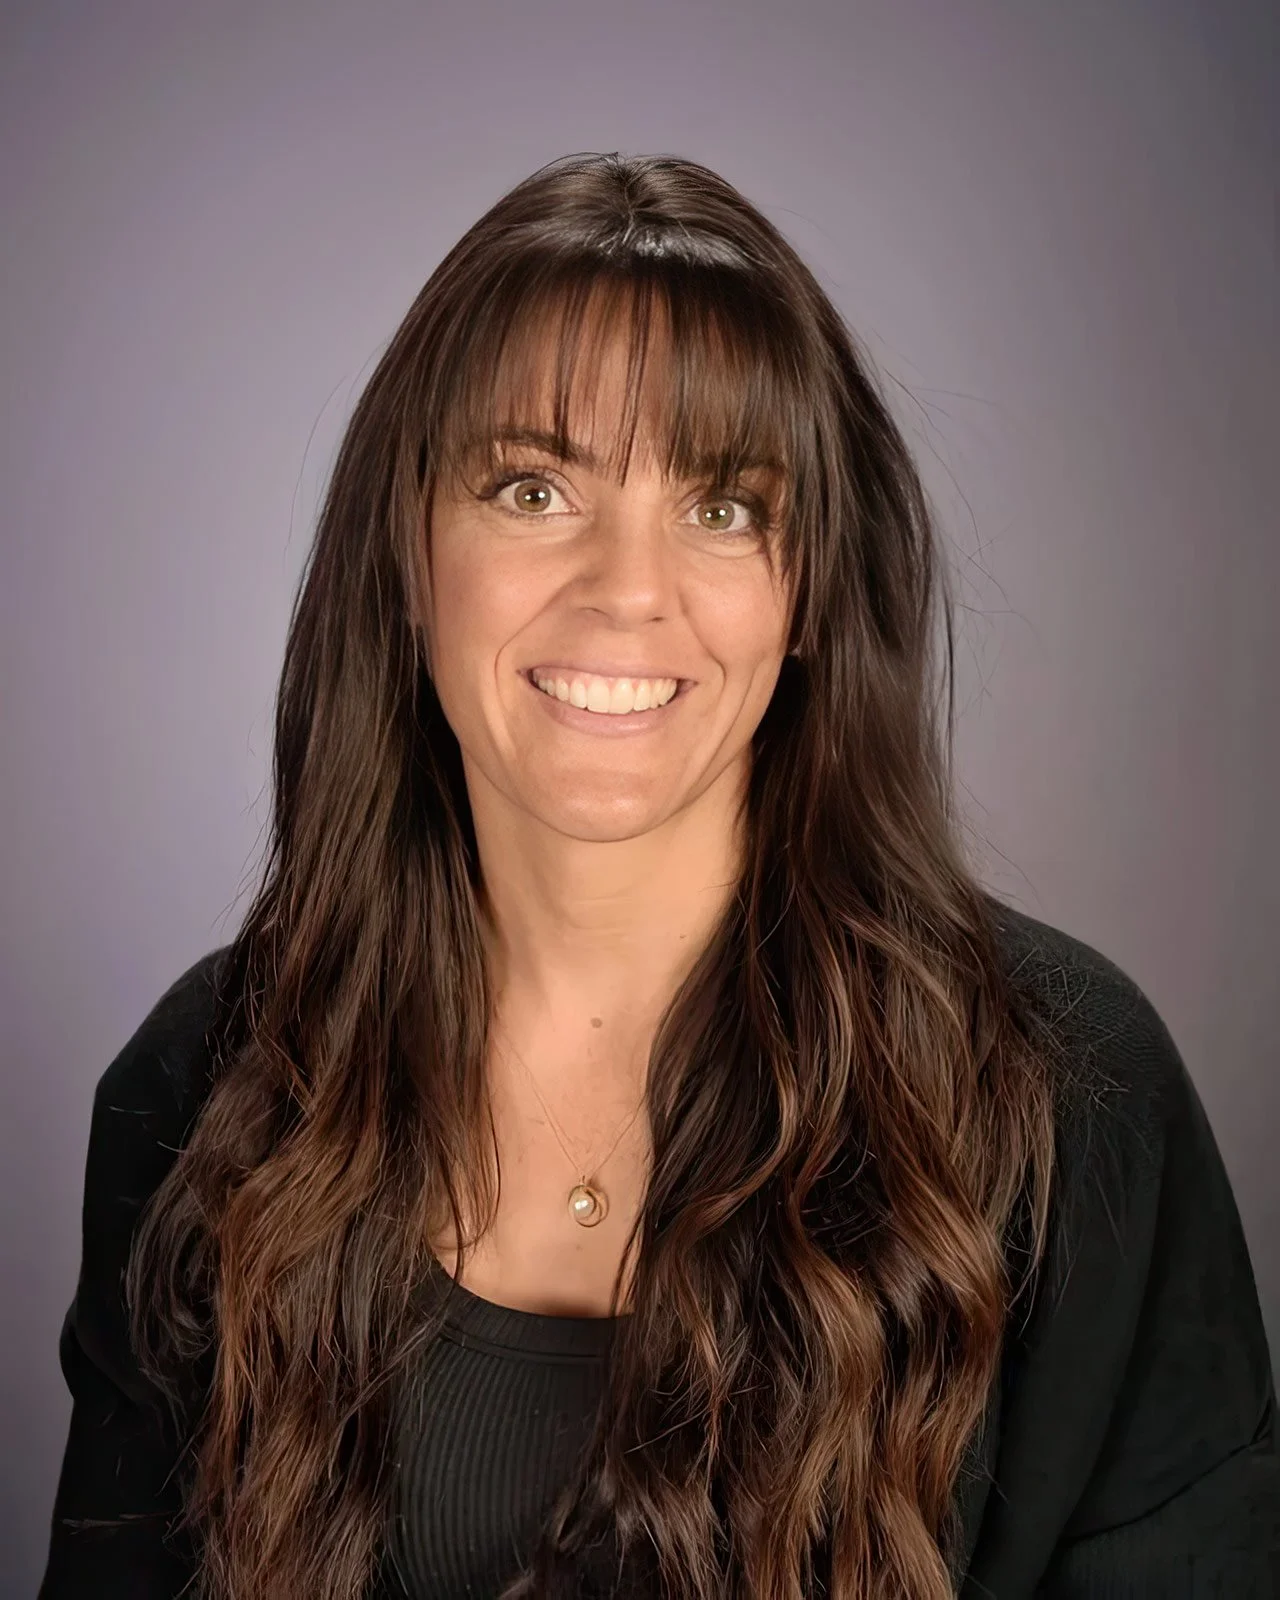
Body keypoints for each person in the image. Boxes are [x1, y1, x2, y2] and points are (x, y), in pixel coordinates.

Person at [38, 152, 1277, 1600]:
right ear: (407, 553)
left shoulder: (1068, 1098)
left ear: (809, 594)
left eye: (724, 506)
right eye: (532, 486)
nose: (629, 588)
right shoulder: (204, 1087)